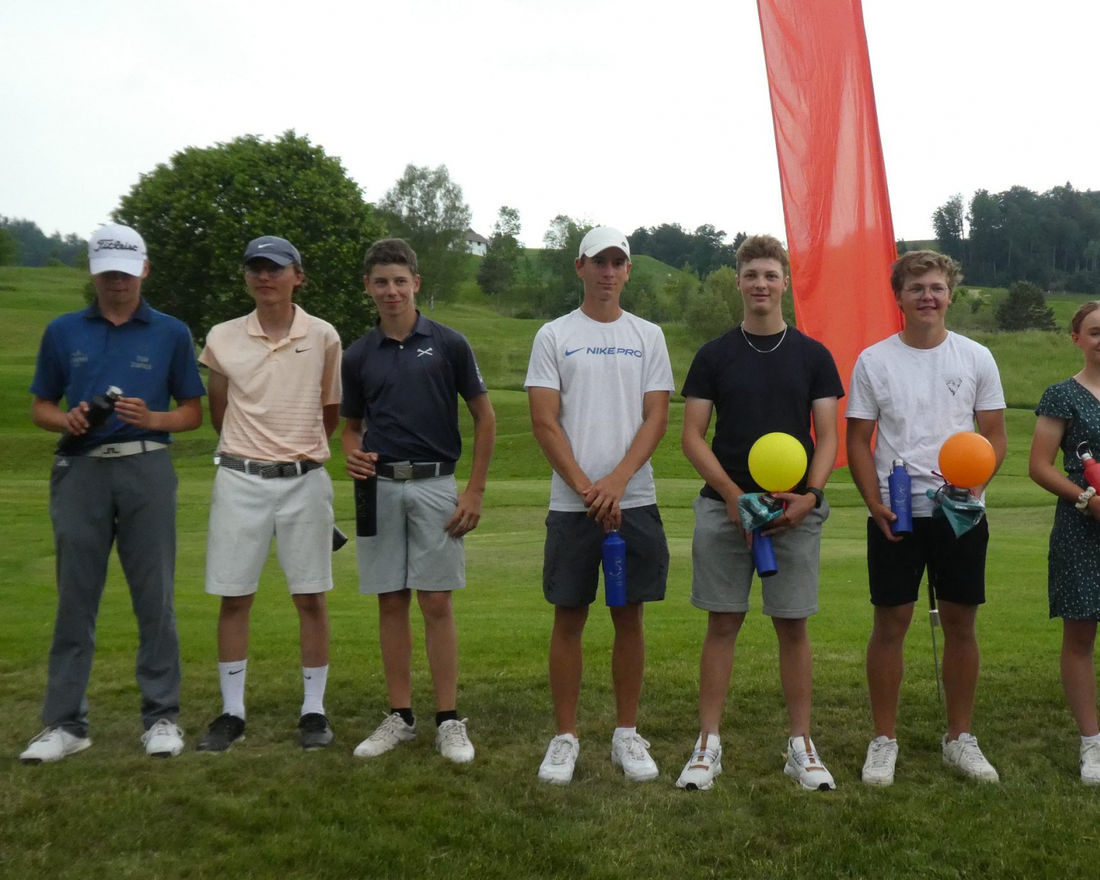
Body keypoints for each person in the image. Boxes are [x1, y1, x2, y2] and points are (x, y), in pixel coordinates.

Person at [20, 223, 204, 763]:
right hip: (81, 470)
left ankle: (162, 717)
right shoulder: (63, 331)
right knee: (75, 598)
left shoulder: (171, 332)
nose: (116, 282)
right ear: (93, 272)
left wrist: (153, 418)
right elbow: (40, 406)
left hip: (146, 466)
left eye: (125, 272)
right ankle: (65, 724)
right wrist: (66, 419)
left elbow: (191, 412)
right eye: (107, 273)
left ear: (144, 270)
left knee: (155, 597)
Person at [675, 234, 843, 792]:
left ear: (785, 282)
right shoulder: (714, 354)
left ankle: (801, 746)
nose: (761, 284)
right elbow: (693, 436)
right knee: (722, 623)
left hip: (793, 512)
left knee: (793, 626)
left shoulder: (813, 355)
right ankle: (707, 745)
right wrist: (730, 494)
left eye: (770, 275)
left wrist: (810, 497)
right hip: (724, 510)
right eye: (751, 275)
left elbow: (826, 436)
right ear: (739, 282)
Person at [847, 249, 1006, 785]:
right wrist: (874, 502)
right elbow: (858, 439)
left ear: (950, 295)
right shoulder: (874, 360)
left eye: (936, 287)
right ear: (899, 296)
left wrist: (976, 487)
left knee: (961, 623)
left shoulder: (976, 357)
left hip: (960, 511)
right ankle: (883, 740)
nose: (927, 297)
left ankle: (959, 737)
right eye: (916, 288)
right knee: (890, 622)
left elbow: (994, 434)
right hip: (898, 512)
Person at [525, 226, 674, 784]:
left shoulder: (648, 336)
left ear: (628, 270)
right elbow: (545, 422)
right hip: (574, 506)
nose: (608, 272)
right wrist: (590, 488)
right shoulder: (554, 335)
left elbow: (656, 417)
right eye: (599, 261)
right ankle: (565, 737)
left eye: (618, 262)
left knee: (629, 617)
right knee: (569, 617)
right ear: (580, 266)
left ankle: (626, 734)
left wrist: (617, 481)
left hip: (634, 499)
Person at [342, 238, 495, 764]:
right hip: (379, 487)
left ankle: (448, 719)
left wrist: (474, 490)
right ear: (368, 287)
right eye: (381, 282)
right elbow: (351, 427)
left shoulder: (449, 344)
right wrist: (352, 453)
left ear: (416, 284)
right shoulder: (358, 355)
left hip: (435, 485)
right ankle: (400, 716)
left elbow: (484, 418)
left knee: (435, 601)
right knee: (391, 600)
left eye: (400, 281)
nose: (392, 291)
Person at [195, 235, 342, 752]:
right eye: (255, 268)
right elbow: (219, 412)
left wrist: (297, 451)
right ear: (246, 277)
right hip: (240, 478)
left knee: (310, 596)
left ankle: (313, 709)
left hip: (304, 479)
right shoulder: (222, 337)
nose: (265, 276)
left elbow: (329, 410)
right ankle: (232, 711)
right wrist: (254, 450)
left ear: (297, 276)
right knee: (235, 596)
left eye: (276, 268)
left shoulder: (323, 335)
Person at [1028, 300, 1100, 785]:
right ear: (1076, 338)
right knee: (1080, 637)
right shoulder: (1061, 396)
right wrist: (1087, 500)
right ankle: (1092, 743)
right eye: (1094, 332)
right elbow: (1039, 466)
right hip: (1081, 526)